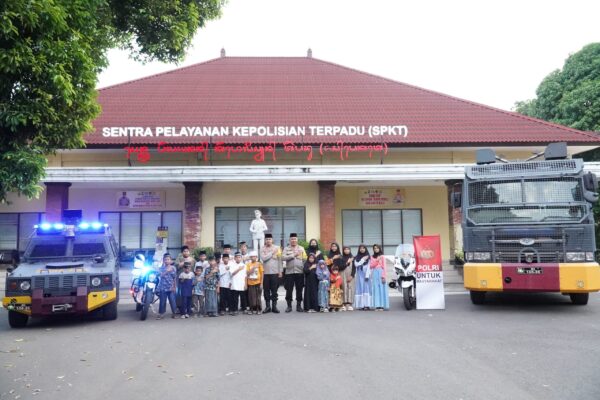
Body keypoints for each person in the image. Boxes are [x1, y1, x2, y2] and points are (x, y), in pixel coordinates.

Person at [282, 233, 307, 312]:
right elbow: (283, 258)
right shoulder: (286, 249)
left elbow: (305, 259)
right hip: (289, 272)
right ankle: (289, 306)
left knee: (299, 289)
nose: (293, 240)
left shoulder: (301, 248)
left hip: (299, 272)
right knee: (289, 289)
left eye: (295, 239)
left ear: (297, 240)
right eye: (292, 239)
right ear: (290, 240)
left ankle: (299, 306)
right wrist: (293, 255)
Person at [260, 233, 282, 313]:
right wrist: (272, 253)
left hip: (275, 272)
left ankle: (274, 306)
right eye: (267, 239)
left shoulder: (277, 248)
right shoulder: (262, 248)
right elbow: (263, 258)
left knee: (274, 290)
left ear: (272, 240)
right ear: (265, 240)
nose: (268, 241)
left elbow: (280, 260)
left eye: (269, 239)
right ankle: (267, 306)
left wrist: (280, 271)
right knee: (266, 291)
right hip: (265, 273)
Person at [156, 253, 177, 319]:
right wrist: (167, 271)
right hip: (163, 287)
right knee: (162, 301)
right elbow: (160, 276)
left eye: (168, 259)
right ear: (163, 260)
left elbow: (174, 277)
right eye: (165, 259)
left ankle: (174, 313)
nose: (167, 261)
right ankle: (161, 314)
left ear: (171, 260)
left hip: (170, 287)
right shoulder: (161, 268)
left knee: (172, 301)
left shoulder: (173, 268)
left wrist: (174, 287)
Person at [175, 245, 195, 314]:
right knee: (180, 293)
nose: (186, 252)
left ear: (189, 252)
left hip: (190, 279)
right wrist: (183, 262)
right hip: (181, 279)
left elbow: (195, 269)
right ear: (182, 252)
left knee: (190, 293)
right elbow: (176, 267)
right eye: (184, 251)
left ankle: (190, 308)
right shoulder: (179, 258)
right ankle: (179, 307)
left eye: (187, 251)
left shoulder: (192, 259)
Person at [370, 244, 389, 310]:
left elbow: (384, 267)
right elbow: (371, 266)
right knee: (376, 289)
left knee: (381, 288)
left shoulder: (383, 256)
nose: (376, 249)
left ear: (379, 249)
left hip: (381, 272)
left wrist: (383, 276)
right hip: (375, 273)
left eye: (377, 248)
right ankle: (377, 305)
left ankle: (382, 305)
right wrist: (377, 260)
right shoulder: (372, 257)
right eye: (374, 248)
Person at [353, 245, 372, 310]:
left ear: (365, 249)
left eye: (363, 248)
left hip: (366, 275)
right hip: (359, 275)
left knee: (366, 289)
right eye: (360, 248)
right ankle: (361, 305)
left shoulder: (369, 257)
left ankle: (367, 305)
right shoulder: (356, 257)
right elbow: (356, 264)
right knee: (360, 289)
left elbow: (369, 266)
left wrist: (367, 275)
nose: (362, 249)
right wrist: (363, 259)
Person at [340, 246, 356, 311]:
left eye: (348, 249)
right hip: (342, 274)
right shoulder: (341, 258)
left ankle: (349, 304)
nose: (346, 251)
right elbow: (340, 267)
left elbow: (354, 268)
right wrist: (347, 262)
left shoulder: (352, 258)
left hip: (350, 275)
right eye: (345, 249)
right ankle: (343, 304)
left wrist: (352, 276)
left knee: (350, 288)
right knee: (343, 288)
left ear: (350, 250)